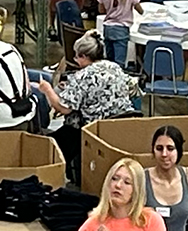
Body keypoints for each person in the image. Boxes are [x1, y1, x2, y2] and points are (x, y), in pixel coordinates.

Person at [34, 33, 135, 166]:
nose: (75, 60)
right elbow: (131, 88)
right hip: (120, 123)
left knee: (53, 146)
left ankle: (55, 167)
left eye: (76, 56)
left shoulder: (83, 75)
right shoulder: (114, 67)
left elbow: (64, 108)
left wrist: (47, 89)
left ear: (84, 56)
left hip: (92, 128)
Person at [143, 126, 188, 231]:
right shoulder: (142, 180)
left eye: (170, 148)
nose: (164, 154)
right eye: (159, 148)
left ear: (179, 150)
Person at [94, 0, 139, 65]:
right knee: (119, 63)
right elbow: (140, 9)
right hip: (122, 29)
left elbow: (101, 10)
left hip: (108, 28)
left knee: (109, 60)